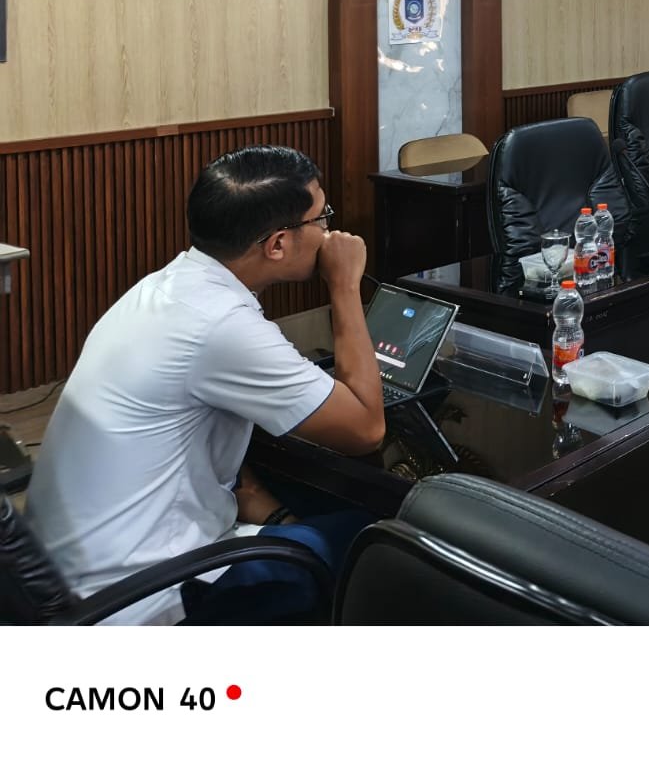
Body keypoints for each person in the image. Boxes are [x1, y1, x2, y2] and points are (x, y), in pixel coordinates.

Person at [23, 147, 386, 623]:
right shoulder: (220, 324)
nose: (330, 234)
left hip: (65, 572)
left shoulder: (165, 287)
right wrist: (345, 286)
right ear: (278, 244)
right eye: (322, 218)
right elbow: (365, 429)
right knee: (376, 542)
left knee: (310, 494)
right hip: (140, 595)